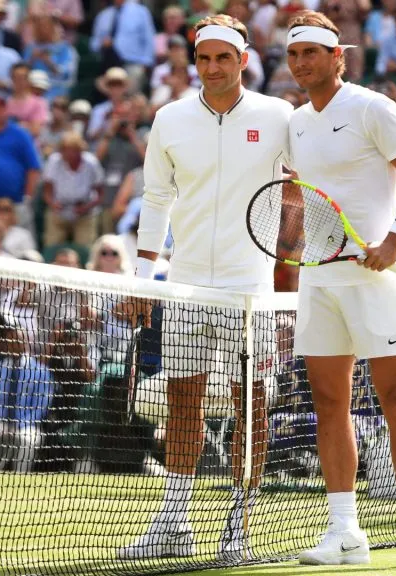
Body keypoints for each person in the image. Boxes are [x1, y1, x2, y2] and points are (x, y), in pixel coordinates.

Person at [115, 14, 293, 562]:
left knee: (251, 404)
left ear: (243, 61)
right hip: (186, 282)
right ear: (194, 61)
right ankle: (174, 521)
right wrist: (144, 279)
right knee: (182, 398)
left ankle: (238, 526)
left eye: (223, 58)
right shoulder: (169, 119)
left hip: (250, 288)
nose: (212, 67)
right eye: (203, 57)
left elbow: (306, 188)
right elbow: (155, 200)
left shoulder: (280, 116)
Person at [284, 10, 396, 569]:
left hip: (377, 279)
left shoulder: (374, 107)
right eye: (293, 54)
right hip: (320, 278)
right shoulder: (295, 123)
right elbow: (299, 200)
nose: (301, 64)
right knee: (330, 404)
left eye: (311, 53)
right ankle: (345, 533)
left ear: (337, 58)